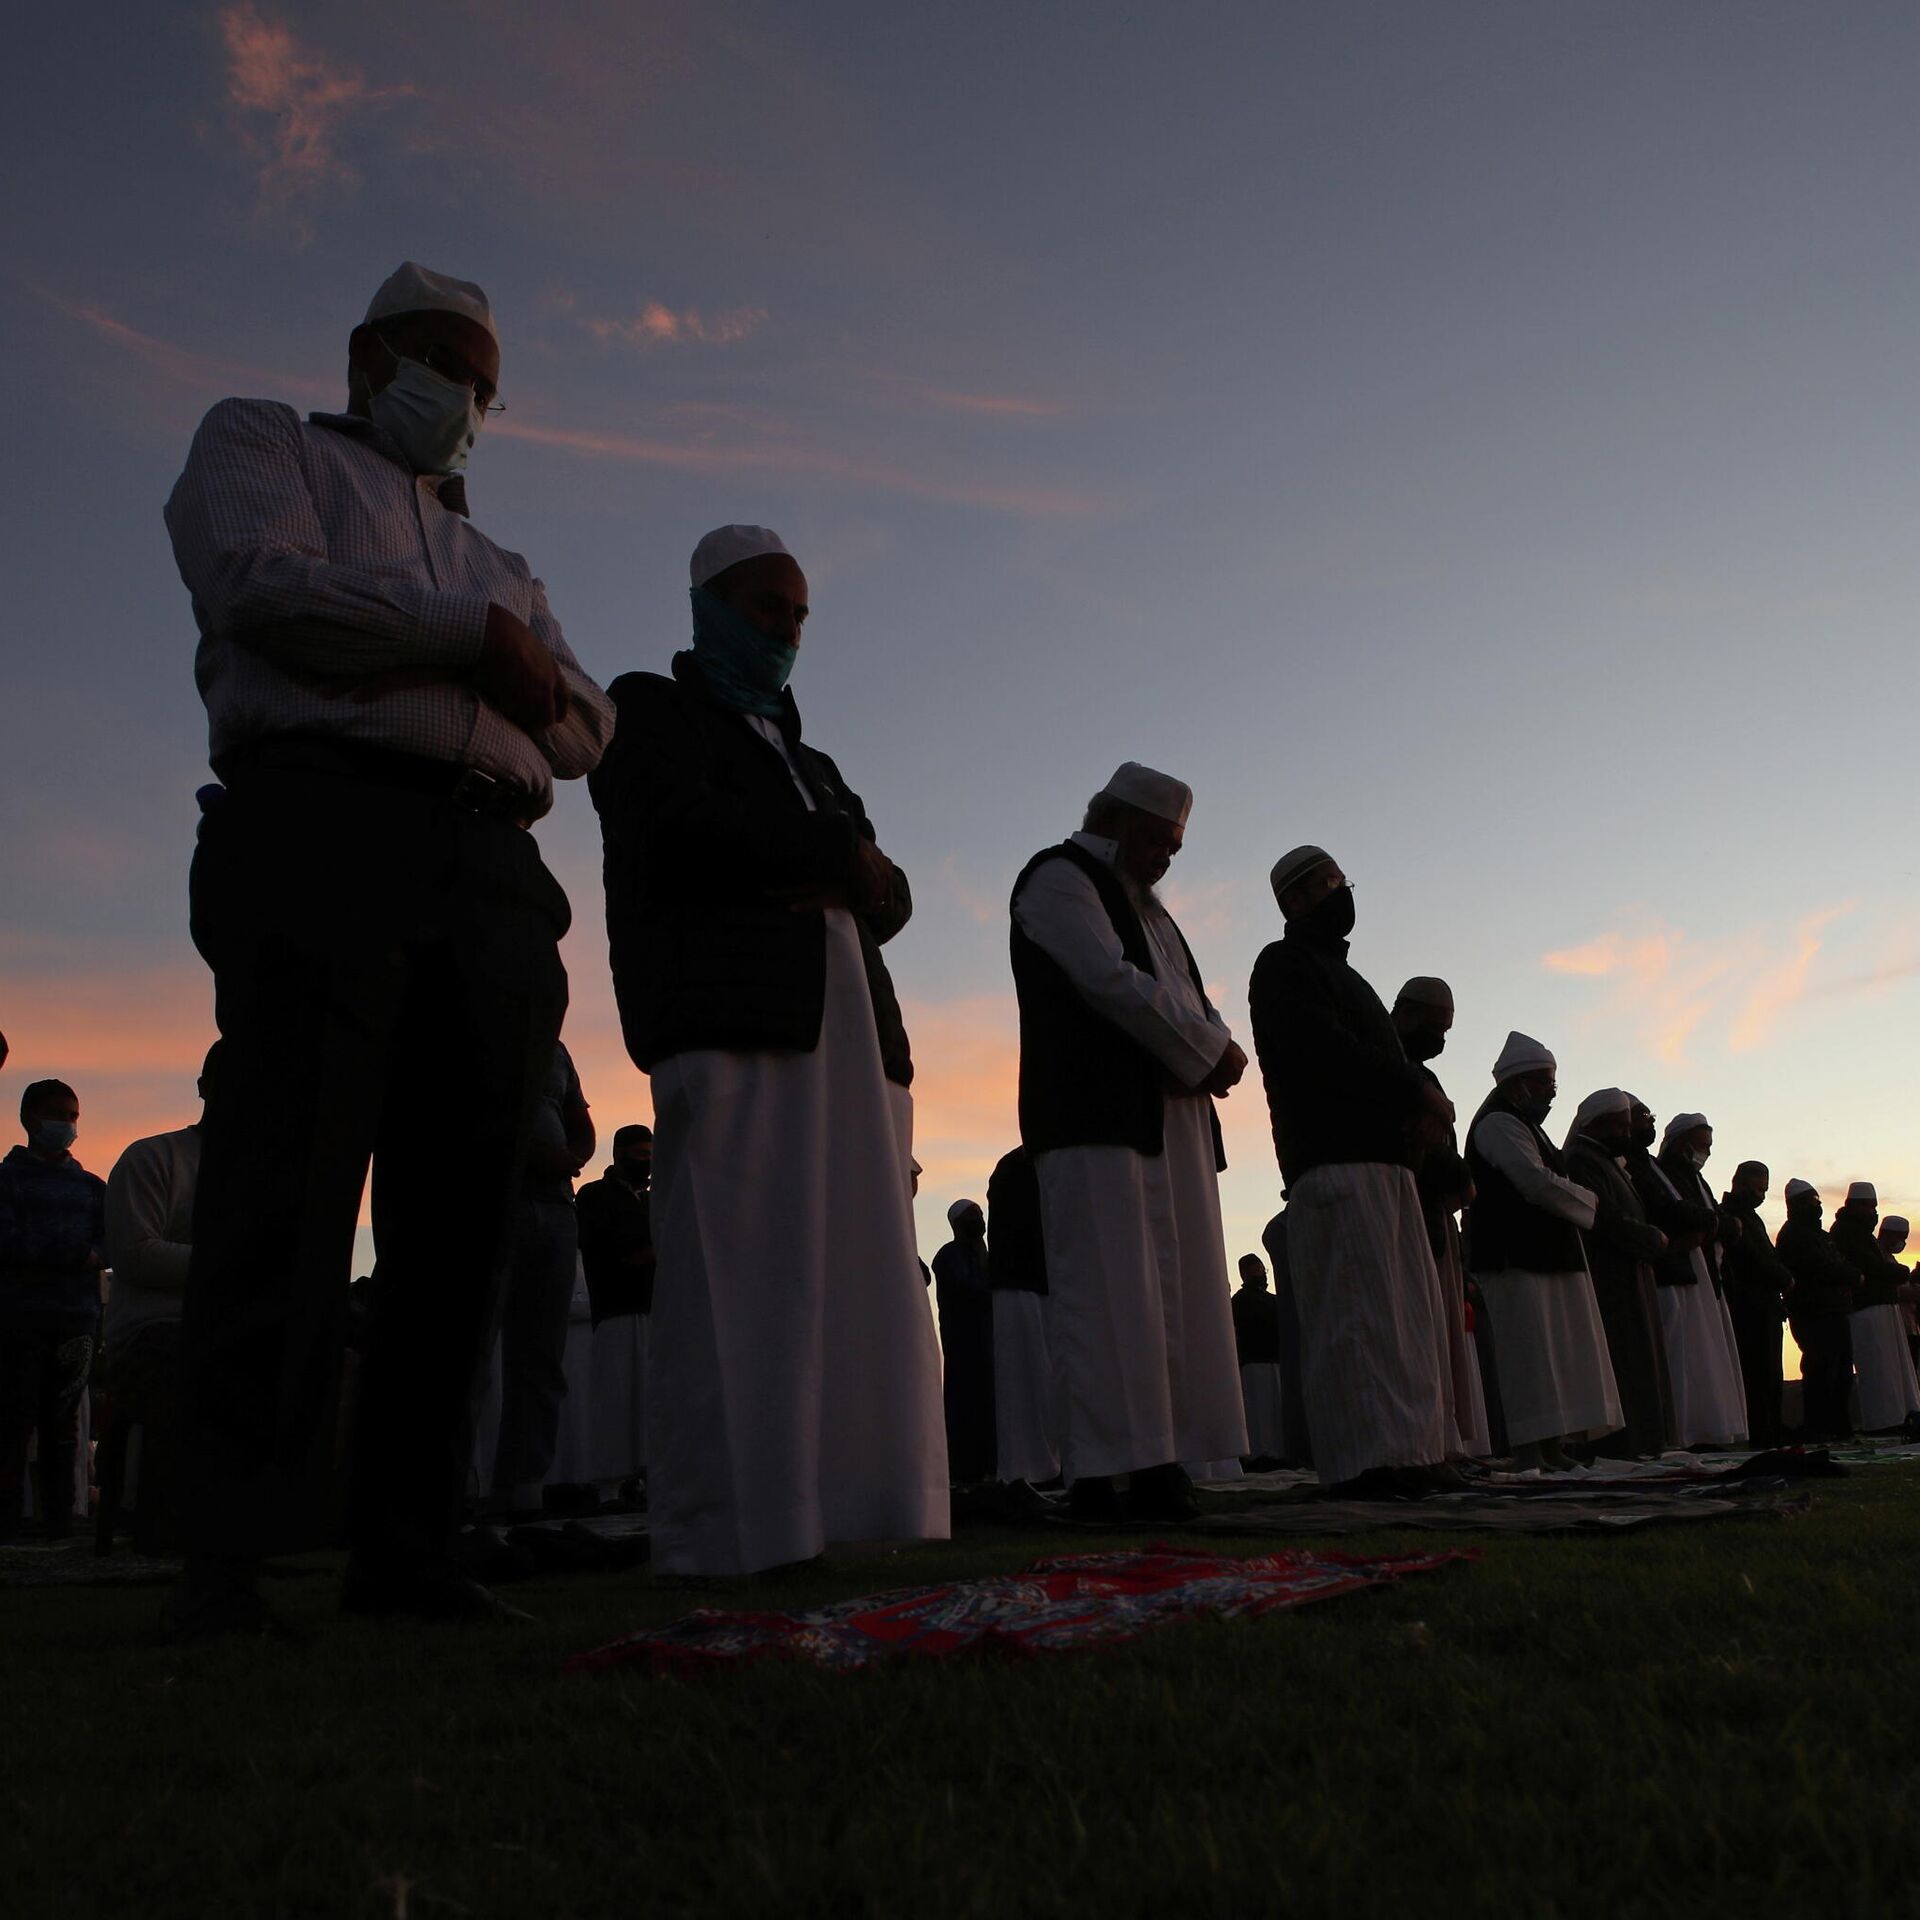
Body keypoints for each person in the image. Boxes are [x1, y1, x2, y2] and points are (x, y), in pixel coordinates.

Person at [161, 261, 613, 1635]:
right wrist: (476, 650)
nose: (462, 397)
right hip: (320, 829)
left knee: (461, 1216)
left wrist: (470, 650)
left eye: (482, 381)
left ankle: (411, 1543)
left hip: (490, 866)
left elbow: (584, 730)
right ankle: (230, 1549)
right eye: (440, 361)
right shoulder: (268, 445)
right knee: (285, 1178)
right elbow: (259, 590)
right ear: (370, 358)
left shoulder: (504, 561)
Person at [589, 524, 946, 1576]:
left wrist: (848, 865)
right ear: (707, 604)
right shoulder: (650, 710)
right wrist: (839, 856)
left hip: (851, 1032)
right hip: (733, 1019)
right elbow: (682, 827)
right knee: (746, 1273)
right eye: (764, 607)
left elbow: (895, 893)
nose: (784, 630)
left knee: (855, 1273)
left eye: (797, 614)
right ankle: (736, 1529)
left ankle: (857, 1507)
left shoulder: (814, 761)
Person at [1009, 764, 1248, 1522]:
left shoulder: (1159, 917)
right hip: (1094, 1119)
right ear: (1111, 820)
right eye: (1154, 842)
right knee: (1108, 1296)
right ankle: (1105, 1475)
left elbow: (1192, 1002)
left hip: (1167, 1122)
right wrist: (1207, 1051)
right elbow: (1108, 980)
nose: (1163, 861)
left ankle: (1159, 1463)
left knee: (1169, 1301)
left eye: (1173, 850)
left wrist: (1216, 1044)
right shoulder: (1059, 878)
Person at [1247, 846, 1458, 1496]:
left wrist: (1422, 1118)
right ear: (1294, 902)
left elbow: (1386, 1065)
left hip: (1387, 1167)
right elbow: (1322, 1051)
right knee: (1356, 1319)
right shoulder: (1282, 966)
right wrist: (1414, 1092)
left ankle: (1413, 1453)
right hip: (1335, 1165)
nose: (1340, 892)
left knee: (1400, 1324)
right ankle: (1368, 1463)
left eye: (1341, 880)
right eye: (1325, 884)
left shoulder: (1350, 978)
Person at [1464, 1034, 1620, 1469]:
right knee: (1529, 1355)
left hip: (1547, 1253)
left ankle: (1553, 1447)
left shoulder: (1526, 1125)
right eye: (1545, 1083)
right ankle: (1530, 1450)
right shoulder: (1498, 1122)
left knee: (1558, 1353)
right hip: (1515, 1254)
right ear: (1520, 1083)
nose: (1552, 1092)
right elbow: (1532, 1181)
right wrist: (1589, 1201)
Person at [101, 1045, 222, 1551]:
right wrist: (231, 1268)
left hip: (233, 1323)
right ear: (204, 1088)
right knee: (188, 1360)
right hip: (153, 1328)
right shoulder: (154, 1157)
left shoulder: (274, 1172)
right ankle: (160, 1517)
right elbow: (135, 1254)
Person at [486, 1040, 593, 1513]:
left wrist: (571, 1157)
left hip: (555, 1206)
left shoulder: (556, 1049)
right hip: (491, 1200)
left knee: (541, 1355)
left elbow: (580, 1121)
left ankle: (523, 1487)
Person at [1389, 976, 1491, 1459]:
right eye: (1435, 1027)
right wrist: (1456, 1174)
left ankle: (1444, 1445)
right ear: (1406, 1014)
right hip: (1402, 1216)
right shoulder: (1389, 1064)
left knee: (1440, 1336)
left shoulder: (1422, 1075)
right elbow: (1416, 1144)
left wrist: (1460, 1179)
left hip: (1435, 1220)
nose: (1441, 1041)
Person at [0, 1080, 106, 1542]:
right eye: (56, 1114)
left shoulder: (91, 1187)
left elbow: (109, 1245)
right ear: (28, 1119)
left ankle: (60, 1526)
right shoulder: (6, 1180)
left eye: (72, 1116)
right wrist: (73, 1255)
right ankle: (7, 1527)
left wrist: (87, 1255)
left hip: (76, 1323)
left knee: (63, 1428)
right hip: (16, 1322)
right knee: (11, 1425)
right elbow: (9, 1243)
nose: (65, 1124)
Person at [1563, 1089, 1675, 1458]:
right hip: (1607, 1274)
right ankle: (1622, 1445)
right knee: (1621, 1358)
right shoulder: (1581, 1160)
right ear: (1599, 1125)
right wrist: (1644, 1236)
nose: (1627, 1134)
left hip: (1629, 1271)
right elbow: (1603, 1215)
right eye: (1620, 1126)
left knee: (1639, 1358)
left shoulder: (1607, 1160)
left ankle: (1644, 1442)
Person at [1649, 1115, 1747, 1447]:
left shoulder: (1696, 1180)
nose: (1704, 1152)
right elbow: (1681, 1213)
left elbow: (1711, 1218)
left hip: (1706, 1275)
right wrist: (1720, 1225)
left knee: (1709, 1356)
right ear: (1681, 1143)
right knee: (1688, 1355)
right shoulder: (1665, 1174)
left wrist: (1721, 1226)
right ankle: (1688, 1432)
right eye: (1701, 1145)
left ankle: (1710, 1429)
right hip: (1682, 1273)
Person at [574, 1124, 655, 1497]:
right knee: (616, 1403)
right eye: (641, 1155)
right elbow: (609, 1248)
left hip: (653, 1310)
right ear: (619, 1154)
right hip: (615, 1310)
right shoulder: (594, 1197)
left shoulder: (653, 1199)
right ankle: (610, 1487)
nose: (648, 1163)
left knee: (651, 1403)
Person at [984, 1145, 1060, 1488]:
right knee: (1026, 1378)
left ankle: (1046, 1464)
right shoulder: (1019, 1167)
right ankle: (1029, 1468)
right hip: (1020, 1286)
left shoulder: (1022, 1164)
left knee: (1042, 1380)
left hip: (1037, 1283)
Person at [1830, 1182, 1920, 1433]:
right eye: (1870, 1206)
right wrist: (1901, 1273)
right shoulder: (1847, 1232)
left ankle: (1897, 1418)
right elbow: (1870, 1267)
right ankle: (1883, 1421)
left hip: (1880, 1308)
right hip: (1867, 1310)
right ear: (1856, 1205)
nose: (1873, 1212)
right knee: (1878, 1369)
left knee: (1892, 1369)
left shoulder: (1859, 1233)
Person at [1719, 1160, 1795, 1447]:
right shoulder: (1730, 1214)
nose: (1761, 1195)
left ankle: (1772, 1430)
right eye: (1757, 1188)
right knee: (1756, 1373)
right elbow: (1752, 1259)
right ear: (1739, 1183)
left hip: (1766, 1305)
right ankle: (1760, 1432)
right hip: (1748, 1305)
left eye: (1764, 1190)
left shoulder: (1751, 1217)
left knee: (1772, 1374)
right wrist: (1783, 1279)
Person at [1776, 1180, 1858, 1439]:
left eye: (1818, 1201)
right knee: (1820, 1370)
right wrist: (1852, 1276)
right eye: (1812, 1202)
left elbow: (1837, 1263)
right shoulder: (1794, 1234)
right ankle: (1819, 1426)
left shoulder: (1819, 1236)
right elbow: (1822, 1267)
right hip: (1813, 1312)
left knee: (1841, 1371)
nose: (1817, 1207)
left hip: (1834, 1309)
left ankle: (1838, 1425)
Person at [932, 1201, 997, 1484]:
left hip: (989, 1343)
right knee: (965, 1406)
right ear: (957, 1223)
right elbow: (967, 1289)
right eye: (973, 1217)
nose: (979, 1221)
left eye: (981, 1216)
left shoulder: (985, 1256)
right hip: (963, 1344)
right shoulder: (949, 1255)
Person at [1231, 1255, 1287, 1467]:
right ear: (1245, 1273)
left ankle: (1278, 1453)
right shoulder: (1240, 1301)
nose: (1262, 1274)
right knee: (1259, 1412)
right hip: (1254, 1362)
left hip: (1275, 1360)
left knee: (1275, 1411)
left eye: (1263, 1269)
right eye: (1257, 1270)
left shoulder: (1272, 1300)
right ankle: (1260, 1454)